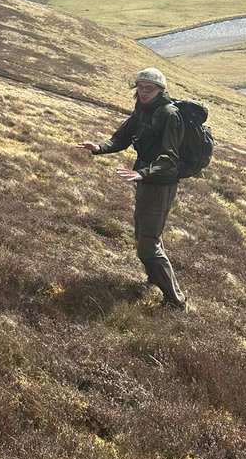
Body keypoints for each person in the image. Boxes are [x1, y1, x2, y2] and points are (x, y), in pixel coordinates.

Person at [79, 67, 187, 310]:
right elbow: (122, 138)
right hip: (144, 180)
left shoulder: (170, 115)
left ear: (161, 90)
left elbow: (169, 157)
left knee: (148, 245)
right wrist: (98, 146)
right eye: (140, 87)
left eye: (149, 88)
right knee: (145, 235)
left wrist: (143, 172)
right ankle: (154, 278)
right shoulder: (142, 110)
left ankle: (177, 302)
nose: (144, 92)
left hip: (159, 184)